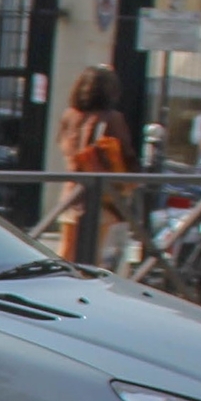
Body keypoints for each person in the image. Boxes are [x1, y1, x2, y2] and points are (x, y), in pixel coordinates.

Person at [56, 64, 136, 262]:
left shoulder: (70, 116)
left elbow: (63, 145)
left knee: (65, 250)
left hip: (72, 192)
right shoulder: (113, 119)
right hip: (101, 196)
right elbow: (127, 155)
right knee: (92, 255)